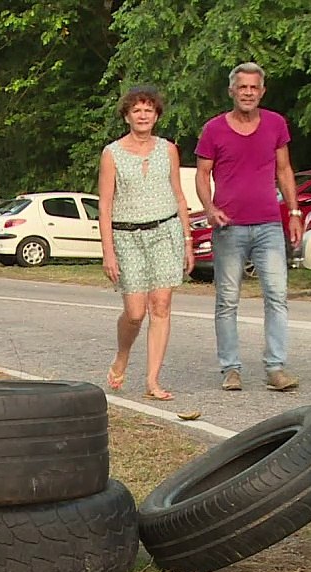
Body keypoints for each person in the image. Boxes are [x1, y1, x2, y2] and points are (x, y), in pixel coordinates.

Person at [196, 61, 302, 392]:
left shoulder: (275, 124)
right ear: (232, 91)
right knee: (227, 298)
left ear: (262, 91)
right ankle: (231, 368)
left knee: (277, 295)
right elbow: (202, 174)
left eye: (254, 87)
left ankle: (275, 367)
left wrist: (295, 212)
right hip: (229, 227)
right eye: (242, 87)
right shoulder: (214, 129)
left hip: (269, 224)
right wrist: (210, 208)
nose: (248, 93)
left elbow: (284, 170)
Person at [99, 85, 194, 402]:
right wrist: (108, 252)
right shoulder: (112, 154)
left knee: (161, 306)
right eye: (137, 110)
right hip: (127, 237)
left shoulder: (167, 150)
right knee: (135, 312)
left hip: (165, 233)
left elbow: (179, 196)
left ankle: (153, 380)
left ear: (156, 115)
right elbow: (105, 206)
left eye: (149, 110)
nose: (143, 115)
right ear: (127, 115)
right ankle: (122, 355)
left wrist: (187, 239)